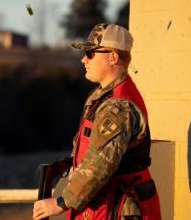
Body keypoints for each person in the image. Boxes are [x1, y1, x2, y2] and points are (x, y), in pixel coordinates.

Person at [33, 23, 161, 220]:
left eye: (91, 53)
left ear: (113, 57)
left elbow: (99, 166)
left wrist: (60, 203)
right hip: (104, 206)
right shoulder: (102, 97)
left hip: (118, 209)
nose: (84, 59)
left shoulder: (117, 107)